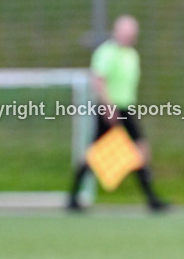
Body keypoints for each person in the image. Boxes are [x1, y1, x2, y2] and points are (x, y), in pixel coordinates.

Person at [68, 15, 169, 212]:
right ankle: (73, 197)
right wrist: (108, 106)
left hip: (127, 108)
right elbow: (99, 79)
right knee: (95, 153)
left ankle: (151, 199)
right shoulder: (107, 52)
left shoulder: (131, 54)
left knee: (140, 151)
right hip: (110, 108)